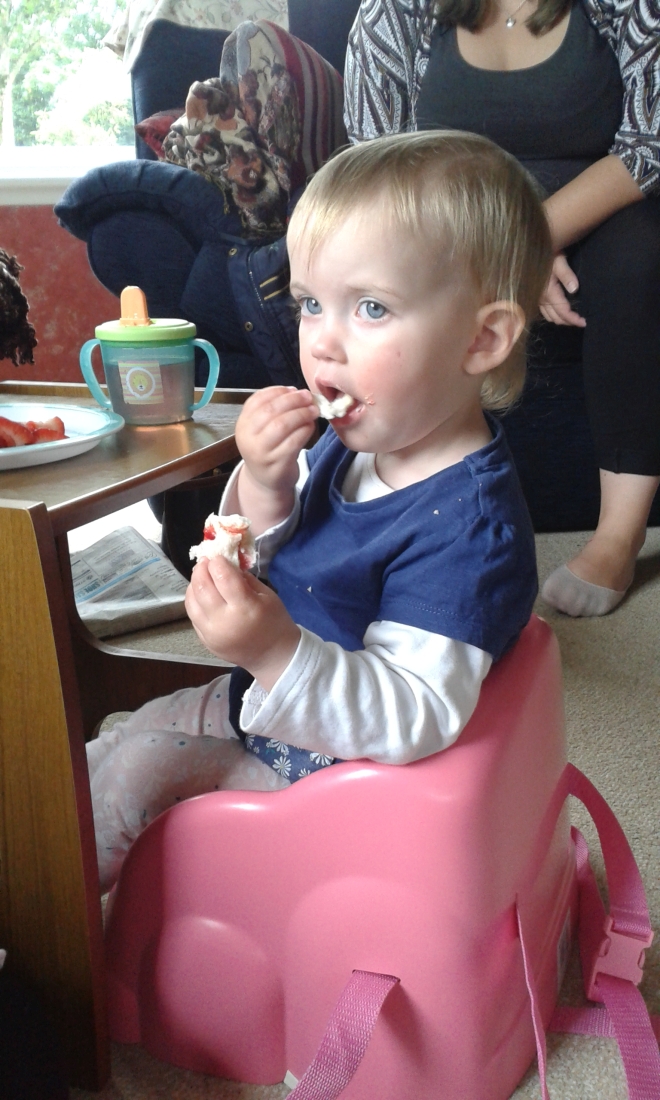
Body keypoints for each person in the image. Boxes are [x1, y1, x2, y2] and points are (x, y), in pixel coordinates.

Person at [87, 130, 551, 892]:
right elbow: (268, 545)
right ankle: (37, 848)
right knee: (123, 736)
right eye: (310, 304)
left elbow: (412, 713)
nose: (323, 344)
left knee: (135, 781)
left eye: (370, 307)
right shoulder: (354, 441)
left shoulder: (471, 531)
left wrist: (273, 650)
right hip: (269, 707)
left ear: (482, 338)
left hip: (343, 783)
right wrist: (265, 480)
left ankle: (47, 922)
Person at [344, 0, 660, 617]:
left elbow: (650, 143)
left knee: (640, 256)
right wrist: (504, 254)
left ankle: (618, 537)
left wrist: (537, 237)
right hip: (451, 231)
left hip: (595, 222)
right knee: (392, 272)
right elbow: (377, 172)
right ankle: (400, 519)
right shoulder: (393, 11)